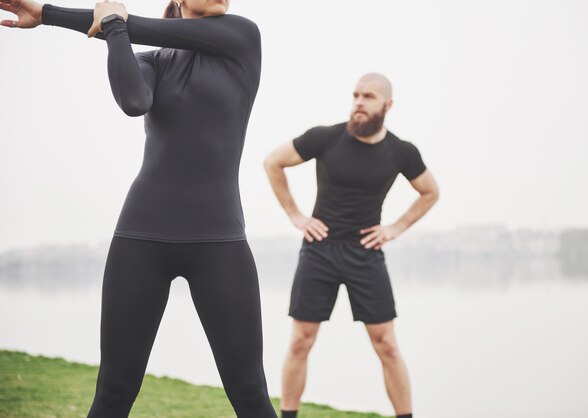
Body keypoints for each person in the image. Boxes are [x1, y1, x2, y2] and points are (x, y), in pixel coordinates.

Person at [0, 0, 277, 417]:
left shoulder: (241, 37)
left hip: (220, 242)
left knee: (250, 392)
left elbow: (140, 26)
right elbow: (133, 101)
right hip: (140, 238)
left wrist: (58, 14)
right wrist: (113, 29)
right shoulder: (149, 60)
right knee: (114, 389)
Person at [264, 73, 439, 418]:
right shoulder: (325, 138)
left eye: (368, 96)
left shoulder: (402, 152)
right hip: (319, 249)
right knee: (300, 340)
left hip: (365, 254)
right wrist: (296, 215)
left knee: (387, 344)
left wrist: (396, 228)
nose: (359, 102)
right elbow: (273, 162)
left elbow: (430, 191)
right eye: (356, 95)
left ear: (387, 106)